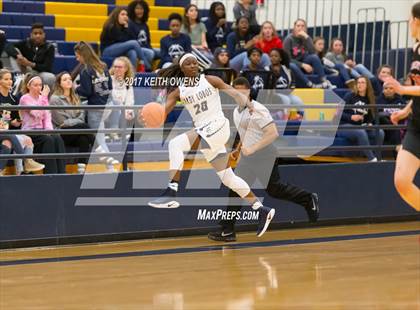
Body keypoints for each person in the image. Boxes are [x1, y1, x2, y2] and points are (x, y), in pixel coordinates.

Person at [148, 53, 276, 237]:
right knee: (227, 178)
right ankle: (261, 209)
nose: (193, 65)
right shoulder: (178, 91)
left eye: (195, 62)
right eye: (188, 63)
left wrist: (247, 103)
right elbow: (163, 112)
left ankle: (172, 191)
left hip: (217, 126)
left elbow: (232, 92)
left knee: (175, 144)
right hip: (206, 133)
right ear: (182, 68)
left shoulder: (209, 79)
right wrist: (153, 114)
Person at [208, 77, 319, 242]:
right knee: (236, 190)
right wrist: (238, 150)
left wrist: (252, 148)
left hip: (264, 155)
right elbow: (245, 132)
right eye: (235, 90)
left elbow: (273, 133)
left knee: (274, 189)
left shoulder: (258, 110)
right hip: (247, 158)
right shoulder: (236, 111)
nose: (239, 94)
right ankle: (228, 230)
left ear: (249, 91)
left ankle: (308, 198)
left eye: (242, 91)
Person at [383, 2, 420, 210]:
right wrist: (405, 111)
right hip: (417, 126)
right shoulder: (416, 48)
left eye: (409, 19)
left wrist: (401, 89)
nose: (408, 23)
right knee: (402, 181)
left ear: (416, 21)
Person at [74, 41, 119, 168]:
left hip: (97, 108)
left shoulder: (85, 71)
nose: (77, 58)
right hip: (108, 105)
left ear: (83, 55)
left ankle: (111, 167)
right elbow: (110, 86)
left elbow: (87, 91)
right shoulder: (103, 66)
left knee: (100, 140)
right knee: (99, 135)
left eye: (77, 56)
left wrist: (76, 88)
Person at [0, 69, 45, 174]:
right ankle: (28, 160)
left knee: (25, 140)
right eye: (6, 79)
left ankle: (19, 172)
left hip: (7, 132)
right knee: (10, 136)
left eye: (10, 79)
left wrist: (16, 122)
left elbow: (15, 119)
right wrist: (10, 122)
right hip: (4, 131)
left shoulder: (14, 98)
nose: (10, 81)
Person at [50, 72, 96, 174]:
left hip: (75, 131)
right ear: (59, 83)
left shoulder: (75, 97)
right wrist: (75, 121)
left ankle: (81, 168)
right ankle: (97, 148)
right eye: (65, 79)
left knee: (84, 139)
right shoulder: (54, 99)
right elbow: (61, 122)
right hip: (61, 134)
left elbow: (81, 117)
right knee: (84, 127)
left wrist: (71, 122)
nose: (68, 81)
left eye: (70, 79)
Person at [19, 74, 66, 174]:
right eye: (35, 85)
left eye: (40, 85)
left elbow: (47, 117)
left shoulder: (42, 98)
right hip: (29, 131)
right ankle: (51, 173)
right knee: (48, 139)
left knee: (57, 137)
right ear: (28, 86)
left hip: (41, 131)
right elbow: (37, 114)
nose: (38, 87)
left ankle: (62, 172)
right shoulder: (25, 99)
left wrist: (49, 130)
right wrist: (44, 97)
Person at [337, 76, 384, 161]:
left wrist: (369, 123)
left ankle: (377, 157)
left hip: (360, 126)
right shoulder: (350, 95)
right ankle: (372, 159)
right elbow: (337, 113)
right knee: (360, 132)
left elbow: (370, 117)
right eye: (358, 82)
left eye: (363, 83)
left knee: (379, 132)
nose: (360, 85)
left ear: (367, 85)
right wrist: (351, 117)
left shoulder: (370, 99)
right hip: (343, 125)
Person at [283, 19, 334, 89]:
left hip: (303, 64)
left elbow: (313, 53)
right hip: (292, 66)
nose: (300, 28)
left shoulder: (305, 38)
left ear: (305, 28)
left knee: (314, 57)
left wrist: (307, 38)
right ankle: (310, 85)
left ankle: (325, 82)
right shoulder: (288, 39)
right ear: (294, 28)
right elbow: (287, 59)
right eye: (298, 26)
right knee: (292, 65)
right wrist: (302, 65)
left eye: (303, 26)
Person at [5, 23, 55, 89]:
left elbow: (47, 67)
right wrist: (17, 55)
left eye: (40, 33)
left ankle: (46, 98)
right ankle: (17, 75)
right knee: (14, 51)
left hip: (40, 73)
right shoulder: (26, 43)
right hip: (25, 71)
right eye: (35, 33)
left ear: (44, 35)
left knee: (51, 77)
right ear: (31, 35)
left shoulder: (49, 47)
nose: (38, 36)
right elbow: (8, 46)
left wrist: (29, 63)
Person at [108, 56, 135, 140]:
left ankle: (133, 140)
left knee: (134, 114)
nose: (117, 69)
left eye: (119, 67)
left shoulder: (128, 83)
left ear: (126, 69)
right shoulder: (108, 80)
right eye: (115, 67)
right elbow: (110, 99)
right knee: (118, 108)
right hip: (110, 110)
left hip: (123, 111)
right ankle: (115, 133)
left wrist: (128, 111)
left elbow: (130, 101)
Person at [376, 83, 405, 149]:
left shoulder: (400, 100)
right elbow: (378, 116)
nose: (388, 90)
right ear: (383, 90)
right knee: (382, 116)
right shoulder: (378, 100)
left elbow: (405, 112)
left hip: (398, 125)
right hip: (385, 127)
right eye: (386, 88)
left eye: (391, 88)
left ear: (395, 90)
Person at [127, 0, 157, 64]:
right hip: (137, 49)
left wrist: (150, 48)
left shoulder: (145, 25)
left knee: (161, 52)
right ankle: (146, 70)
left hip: (146, 48)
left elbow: (148, 41)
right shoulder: (130, 24)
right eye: (137, 8)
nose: (139, 11)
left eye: (141, 9)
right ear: (132, 10)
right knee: (150, 53)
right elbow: (132, 42)